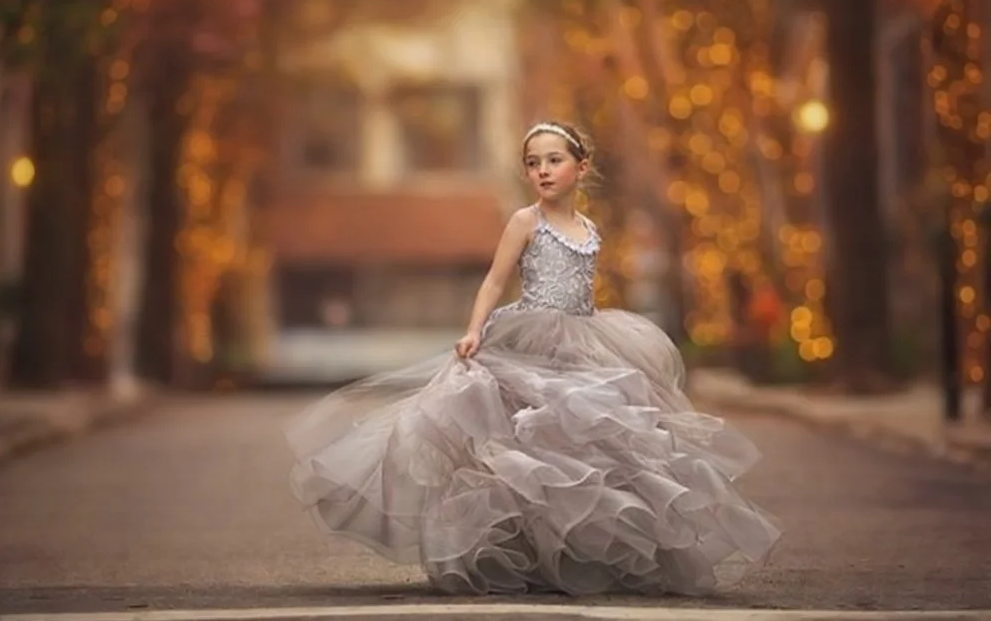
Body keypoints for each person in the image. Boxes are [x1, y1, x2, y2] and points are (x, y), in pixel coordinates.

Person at [285, 121, 781, 596]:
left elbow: (580, 288)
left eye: (554, 160)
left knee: (586, 442)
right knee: (519, 442)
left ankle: (579, 550)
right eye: (532, 162)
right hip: (528, 334)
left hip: (585, 337)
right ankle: (518, 546)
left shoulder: (590, 227)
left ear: (581, 168)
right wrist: (474, 330)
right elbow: (495, 281)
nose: (543, 170)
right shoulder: (525, 221)